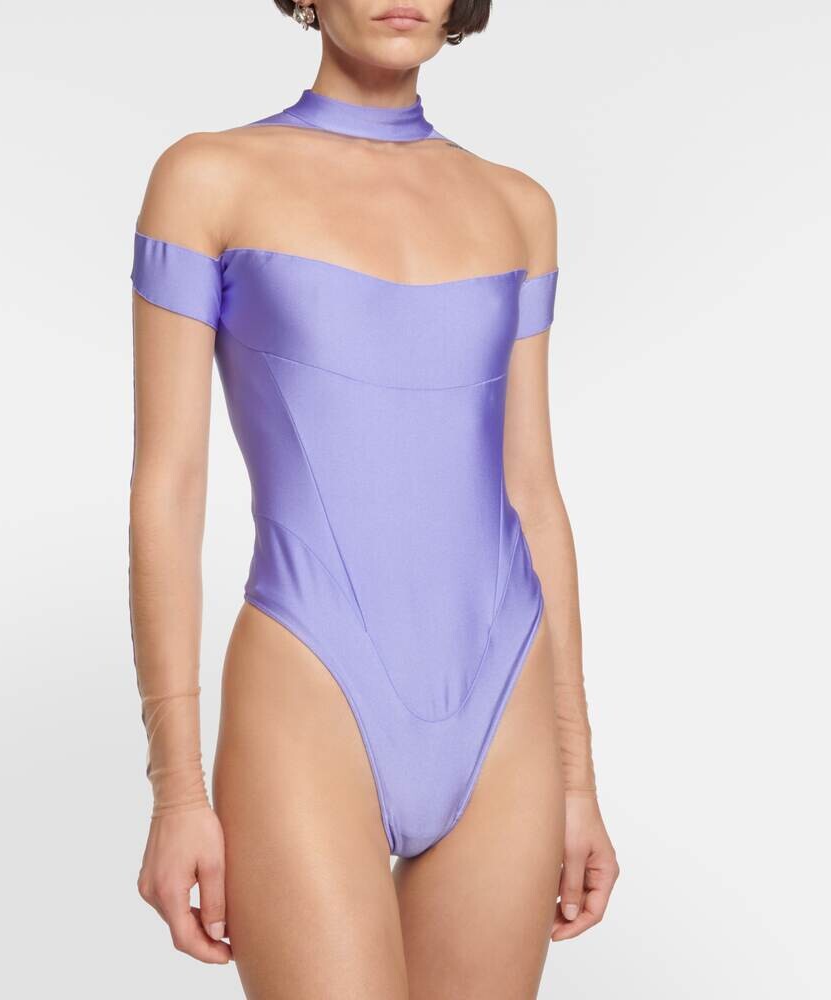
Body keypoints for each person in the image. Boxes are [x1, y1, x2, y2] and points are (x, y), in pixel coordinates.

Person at [128, 2, 619, 995]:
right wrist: (177, 791)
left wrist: (577, 777)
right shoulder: (209, 178)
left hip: (505, 697)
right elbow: (168, 491)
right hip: (309, 681)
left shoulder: (518, 206)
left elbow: (532, 488)